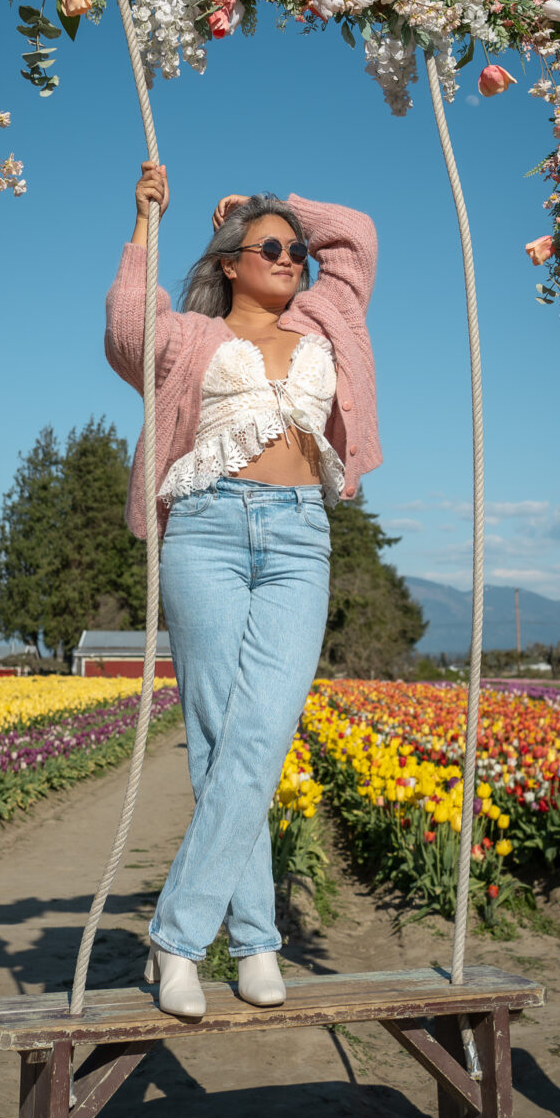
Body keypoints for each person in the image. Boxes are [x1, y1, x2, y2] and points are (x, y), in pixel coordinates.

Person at [105, 160, 381, 1019]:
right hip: (206, 530)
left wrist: (271, 204)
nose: (292, 254)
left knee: (263, 731)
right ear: (229, 260)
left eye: (295, 248)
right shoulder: (190, 336)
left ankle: (177, 938)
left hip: (301, 536)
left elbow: (357, 236)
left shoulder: (327, 317)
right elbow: (126, 332)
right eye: (269, 245)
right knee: (224, 736)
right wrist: (148, 223)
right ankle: (257, 941)